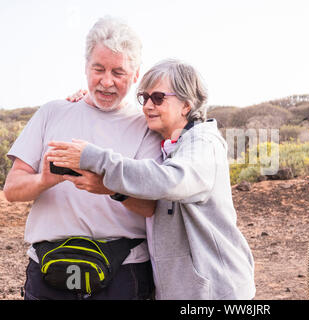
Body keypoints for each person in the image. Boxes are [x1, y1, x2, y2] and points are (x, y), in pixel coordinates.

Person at [47, 59, 256, 300]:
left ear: (186, 105)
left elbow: (170, 181)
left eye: (158, 98)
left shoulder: (203, 144)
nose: (147, 106)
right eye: (143, 98)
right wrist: (87, 102)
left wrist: (94, 157)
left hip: (215, 292)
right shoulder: (169, 145)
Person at [3, 16, 161, 300]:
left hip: (124, 271)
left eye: (119, 72)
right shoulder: (52, 112)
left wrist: (110, 188)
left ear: (136, 74)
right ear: (85, 66)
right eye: (98, 69)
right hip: (47, 267)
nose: (106, 81)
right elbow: (12, 190)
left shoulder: (147, 127)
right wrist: (44, 180)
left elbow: (151, 206)